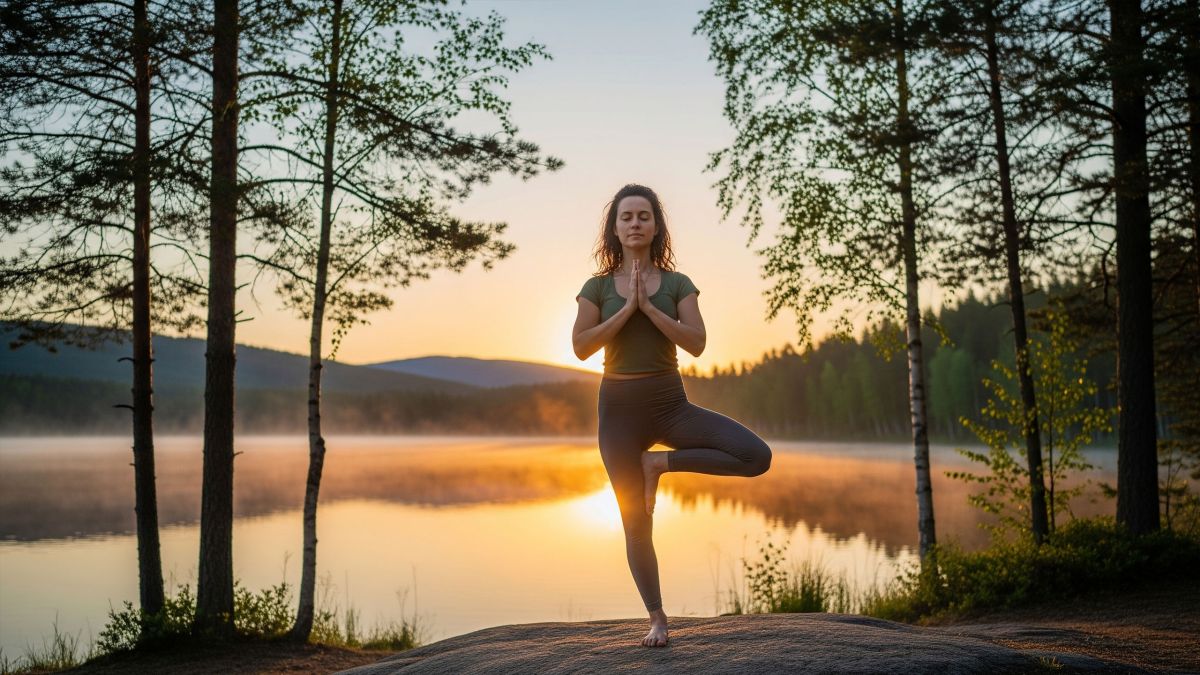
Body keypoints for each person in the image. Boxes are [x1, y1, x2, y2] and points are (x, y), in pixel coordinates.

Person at [571, 183, 773, 648]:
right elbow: (582, 347)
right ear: (615, 228)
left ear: (656, 225)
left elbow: (696, 343)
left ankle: (658, 464)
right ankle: (658, 618)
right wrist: (628, 308)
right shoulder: (596, 287)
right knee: (636, 523)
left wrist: (650, 308)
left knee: (756, 456)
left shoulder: (678, 283)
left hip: (670, 406)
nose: (635, 223)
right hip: (618, 414)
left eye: (644, 216)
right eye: (626, 217)